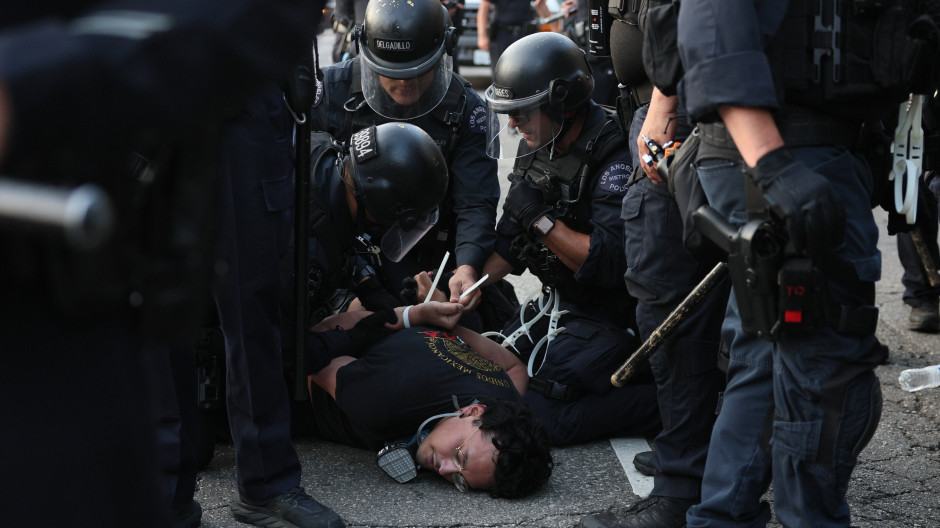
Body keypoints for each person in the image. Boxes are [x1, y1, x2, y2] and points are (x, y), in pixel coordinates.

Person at [0, 2, 321, 527]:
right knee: (147, 310)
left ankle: (268, 480)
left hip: (207, 93)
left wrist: (34, 82)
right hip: (87, 133)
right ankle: (168, 487)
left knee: (252, 303)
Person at [671, 0, 927, 526]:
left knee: (768, 358)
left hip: (798, 149)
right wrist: (772, 164)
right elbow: (716, 23)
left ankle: (721, 519)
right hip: (783, 150)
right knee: (826, 370)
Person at [216, 115, 448, 528]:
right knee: (205, 432)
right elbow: (280, 352)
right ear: (380, 203)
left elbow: (346, 238)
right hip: (204, 326)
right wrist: (352, 336)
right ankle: (261, 490)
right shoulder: (297, 243)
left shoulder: (325, 160)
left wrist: (374, 292)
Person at [579, 2, 731, 525]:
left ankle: (681, 483)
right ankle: (690, 450)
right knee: (684, 309)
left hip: (680, 121)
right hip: (666, 116)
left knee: (672, 312)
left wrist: (664, 104)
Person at [480, 31, 661, 446]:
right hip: (564, 305)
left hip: (614, 317)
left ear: (561, 103)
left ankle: (666, 403)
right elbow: (509, 242)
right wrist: (465, 287)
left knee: (542, 414)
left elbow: (607, 261)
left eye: (522, 112)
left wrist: (540, 219)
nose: (513, 123)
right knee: (496, 381)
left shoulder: (614, 154)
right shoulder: (540, 141)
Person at [310, 0, 503, 329]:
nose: (404, 83)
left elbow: (475, 201)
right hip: (339, 255)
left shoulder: (467, 110)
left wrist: (467, 267)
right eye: (390, 72)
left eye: (417, 71)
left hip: (426, 258)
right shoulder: (329, 92)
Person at [303, 300, 553, 498]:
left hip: (402, 338)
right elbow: (312, 348)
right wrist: (409, 315)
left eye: (460, 480)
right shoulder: (383, 401)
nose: (445, 469)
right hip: (315, 386)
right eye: (459, 456)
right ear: (474, 411)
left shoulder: (508, 406)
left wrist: (445, 328)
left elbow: (515, 368)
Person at [476, 0, 550, 73]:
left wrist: (554, 29)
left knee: (527, 73)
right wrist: (482, 36)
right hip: (502, 36)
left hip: (526, 36)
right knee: (502, 73)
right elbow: (484, 7)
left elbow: (541, 5)